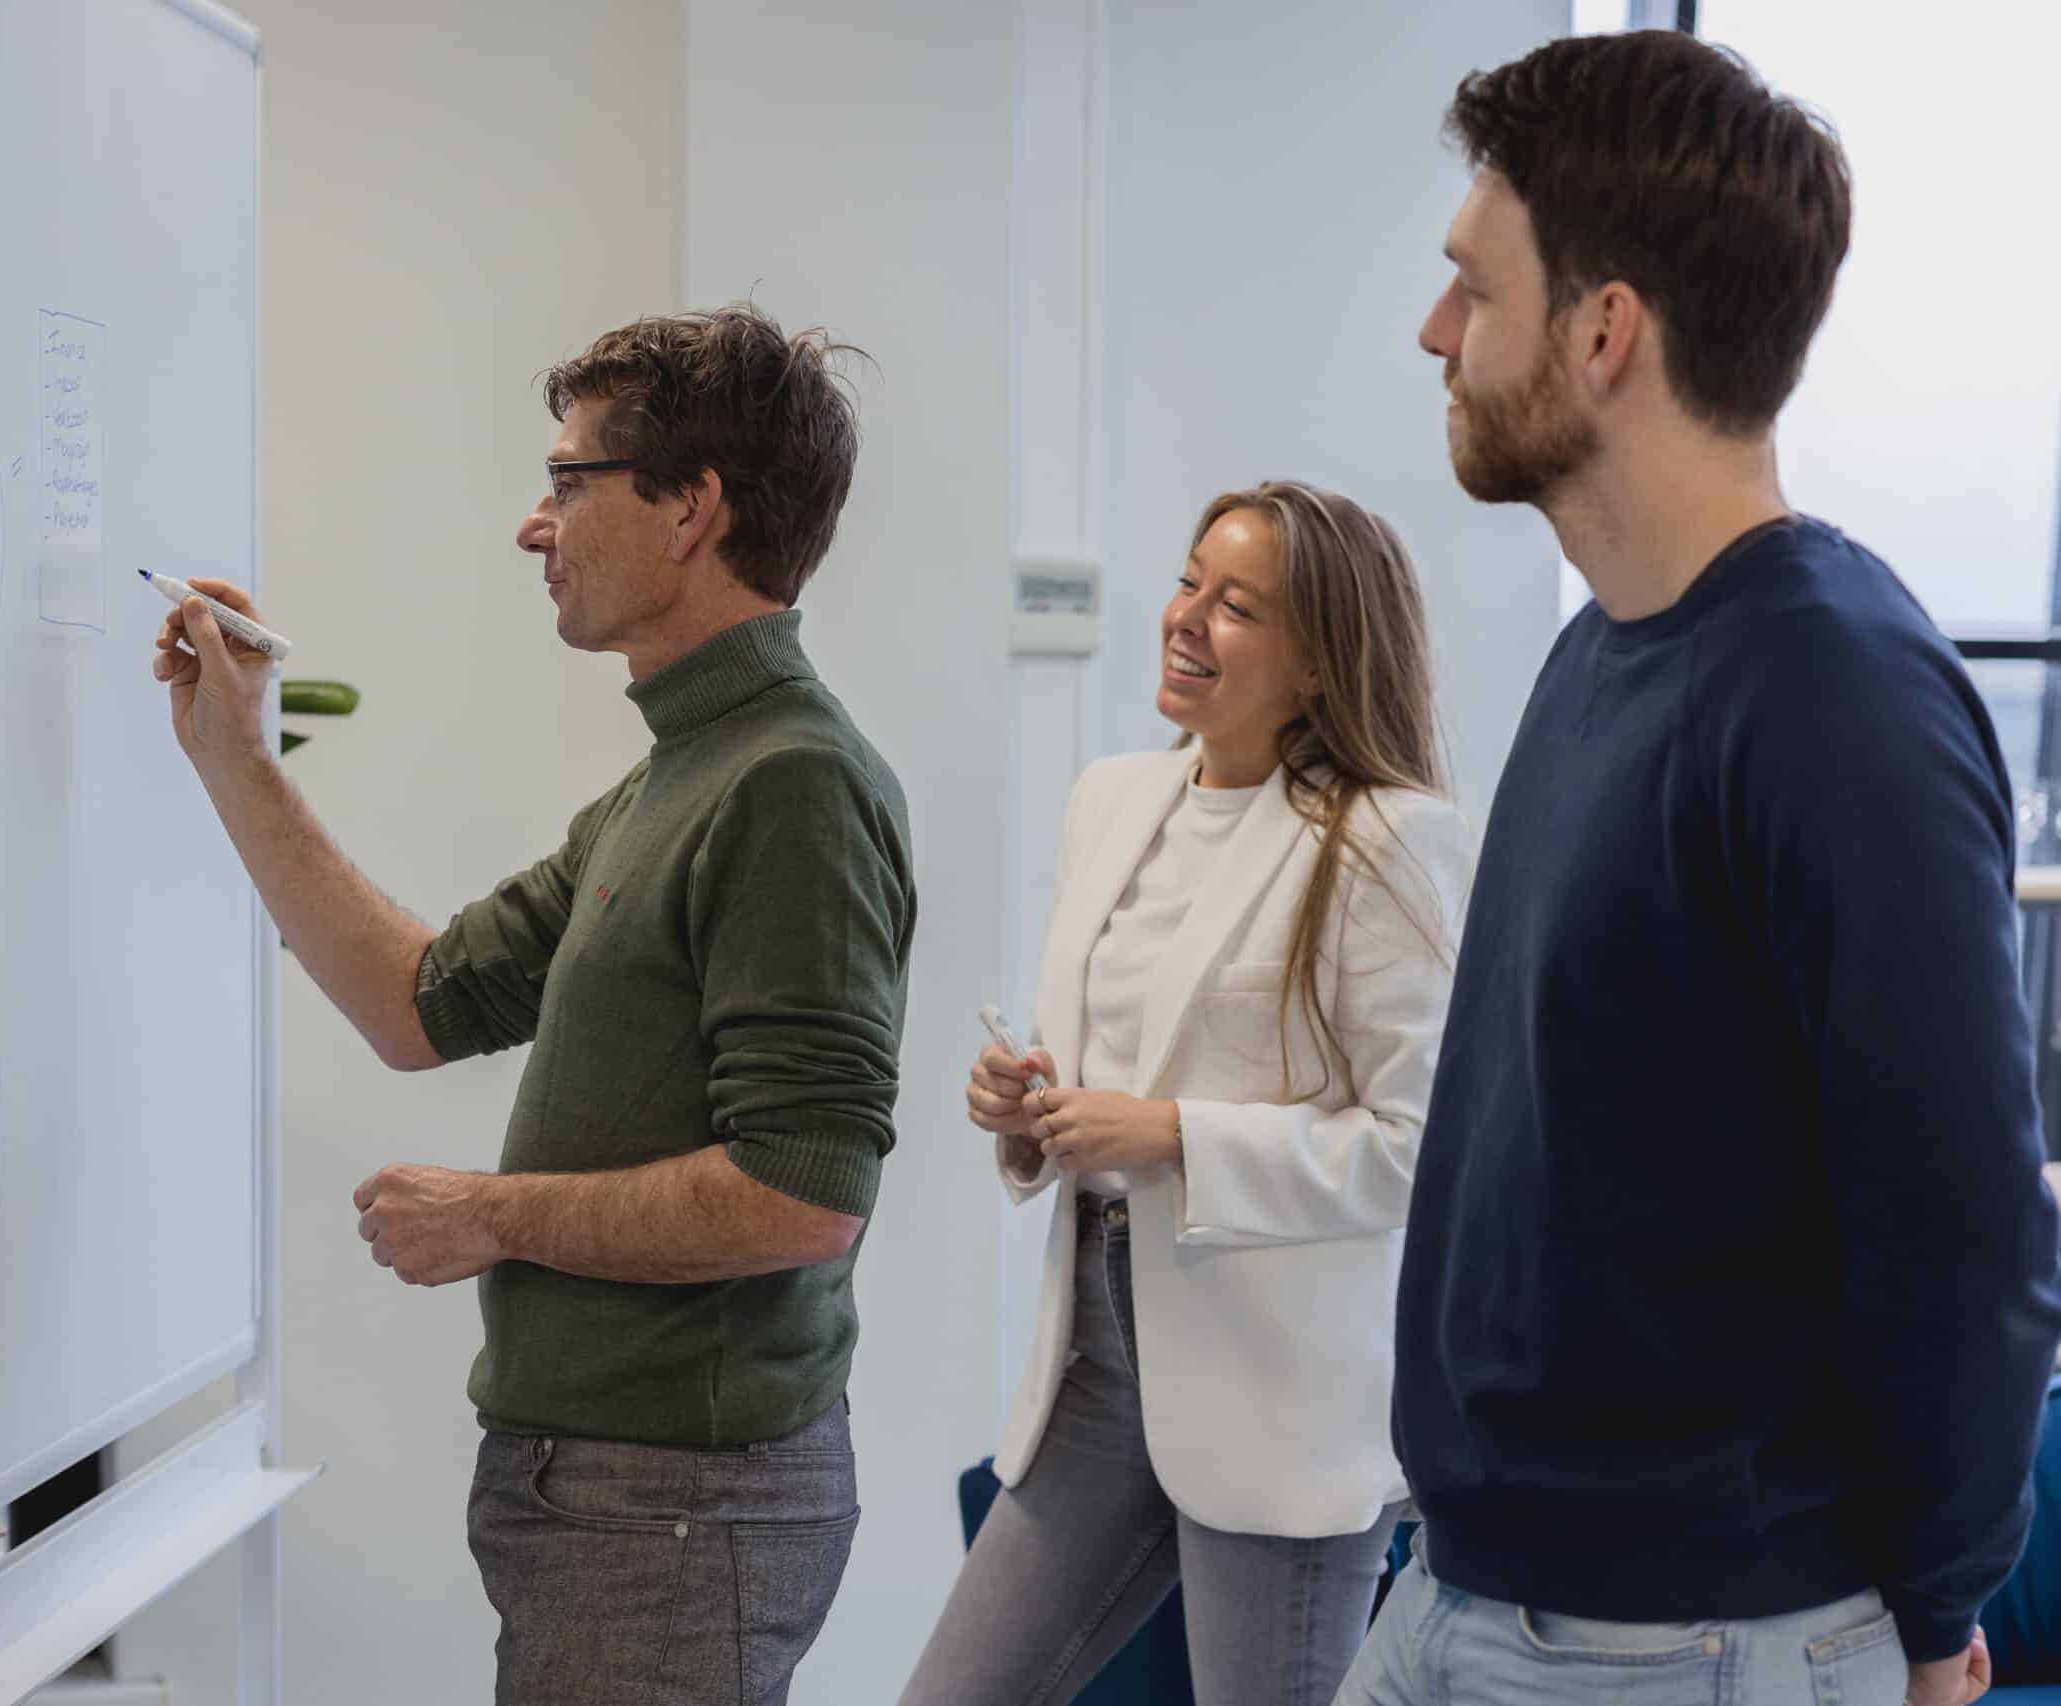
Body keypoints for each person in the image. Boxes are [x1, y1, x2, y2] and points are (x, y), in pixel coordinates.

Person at [1343, 32, 2061, 1706]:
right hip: (1466, 1593)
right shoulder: (1600, 652)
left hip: (1695, 1643)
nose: (1437, 330)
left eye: (1476, 289)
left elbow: (1962, 1236)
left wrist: (1936, 1611)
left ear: (1604, 333)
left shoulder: (1839, 693)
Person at [149, 304, 917, 1706]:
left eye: (569, 481)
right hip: (617, 1495)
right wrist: (236, 755)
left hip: (675, 1501)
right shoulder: (676, 775)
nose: (533, 524)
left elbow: (801, 1193)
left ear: (692, 507)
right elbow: (417, 1001)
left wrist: (495, 1213)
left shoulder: (791, 782)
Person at [901, 481, 1471, 1705]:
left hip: (1279, 1398)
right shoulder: (1111, 799)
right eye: (1187, 582)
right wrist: (1029, 1107)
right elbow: (1109, 1058)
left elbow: (1418, 1144)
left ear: (1318, 659)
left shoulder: (1386, 840)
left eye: (1238, 606)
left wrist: (1170, 1134)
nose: (1186, 617)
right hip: (1096, 1359)